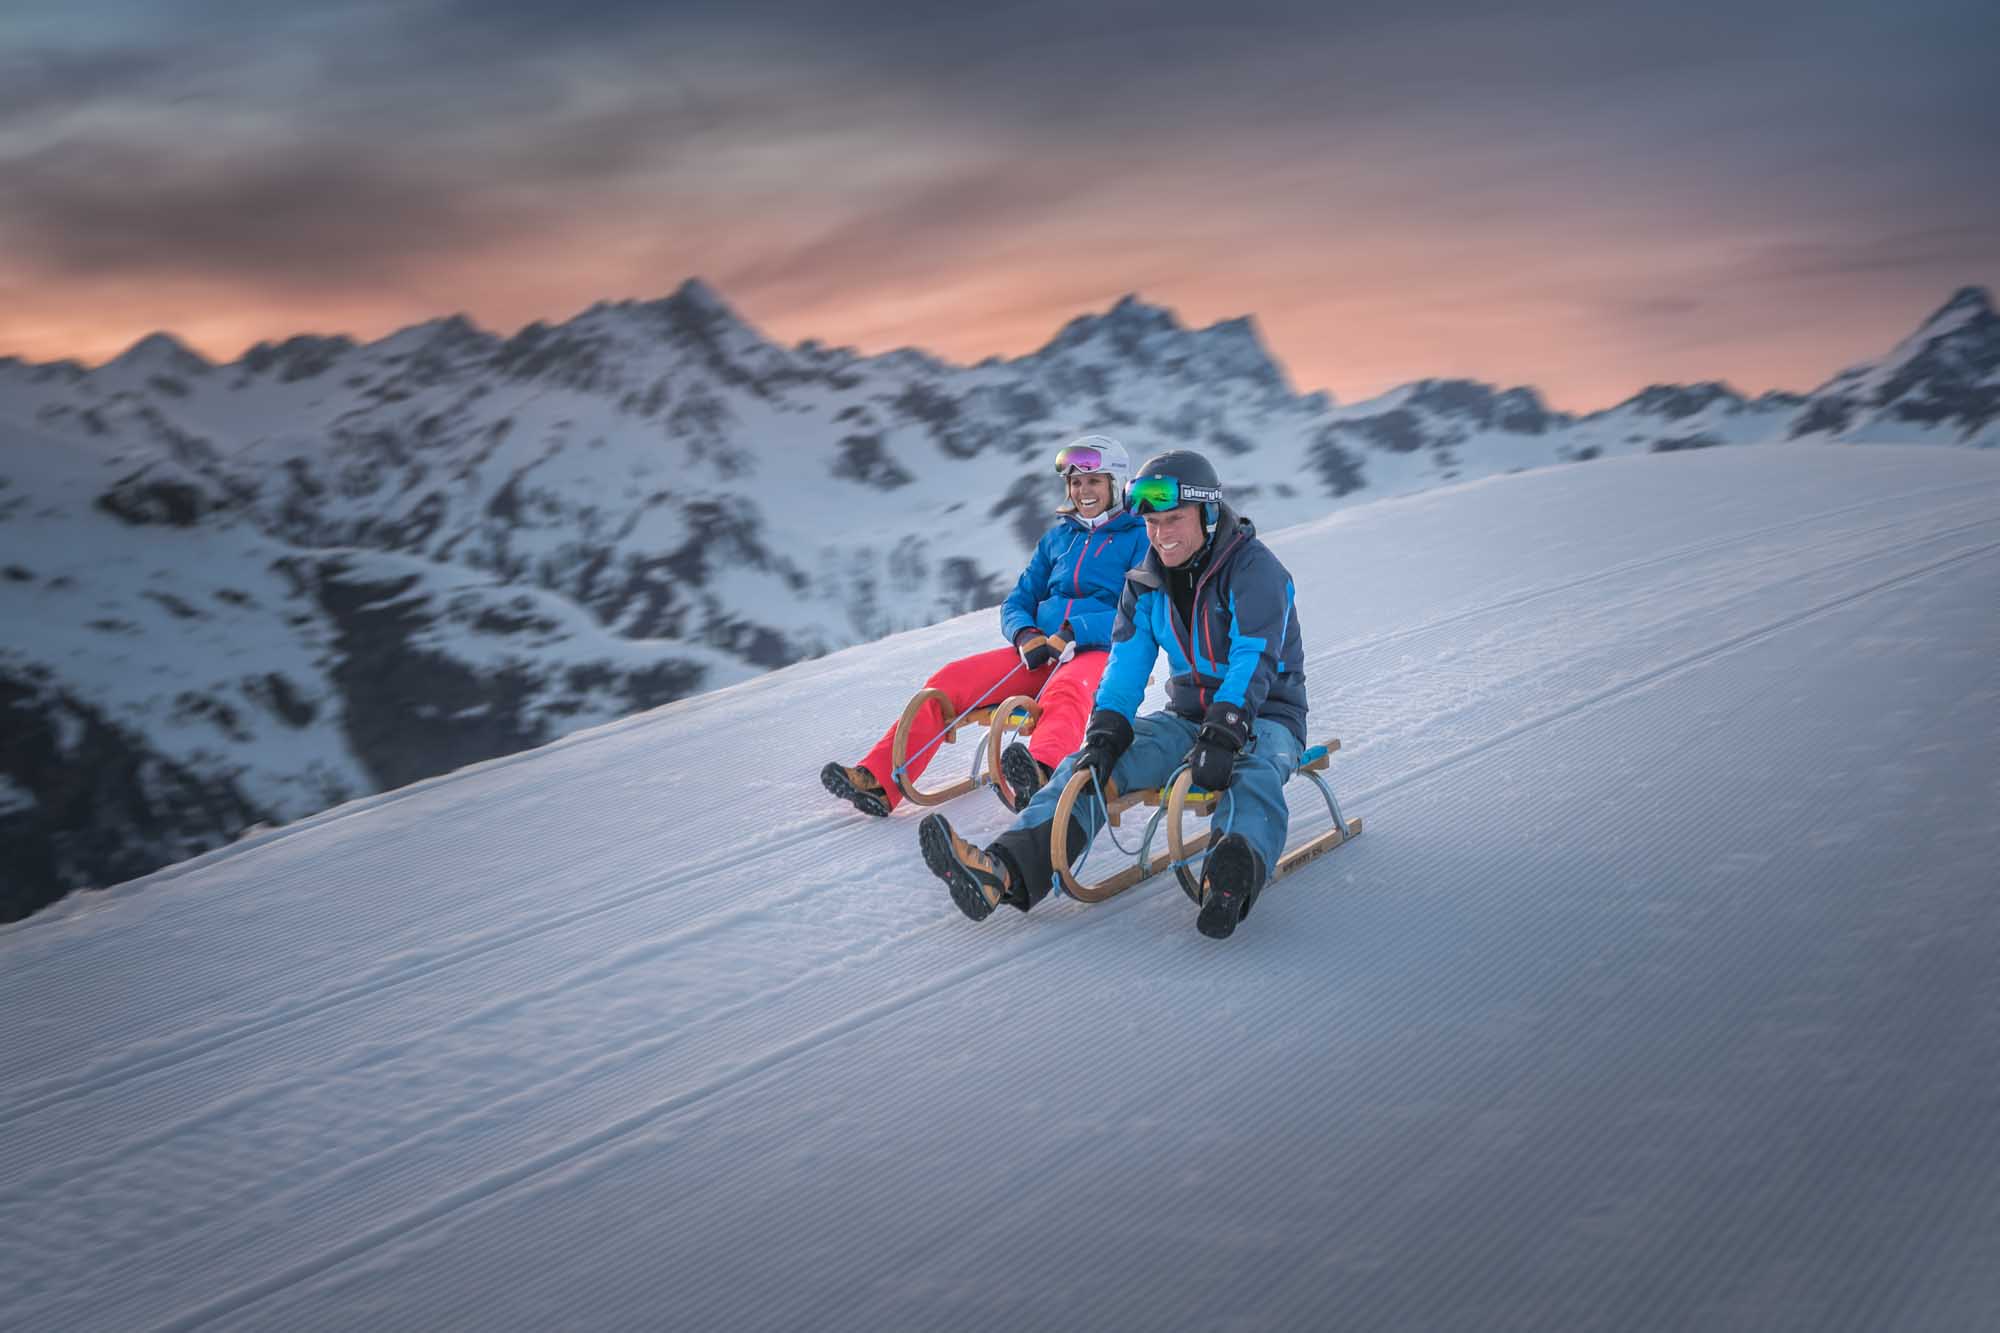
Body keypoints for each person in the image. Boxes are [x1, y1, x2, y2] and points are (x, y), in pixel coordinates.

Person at [917, 449, 1308, 939]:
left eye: (1174, 520)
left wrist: (1227, 731)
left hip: (1266, 716)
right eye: (1151, 523)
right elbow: (1125, 666)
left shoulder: (1255, 572)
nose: (1161, 535)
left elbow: (1255, 660)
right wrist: (1106, 731)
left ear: (1208, 514)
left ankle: (1231, 877)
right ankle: (1004, 868)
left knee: (1252, 772)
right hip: (1186, 717)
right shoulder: (1145, 582)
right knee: (1089, 767)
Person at [820, 435, 1152, 817]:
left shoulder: (1140, 537)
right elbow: (1018, 600)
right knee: (950, 680)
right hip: (1041, 651)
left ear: (1116, 483)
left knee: (1066, 692)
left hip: (1099, 655)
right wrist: (1025, 634)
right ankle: (879, 780)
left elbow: (1140, 608)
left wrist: (1076, 631)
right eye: (1075, 482)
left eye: (1093, 481)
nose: (1082, 491)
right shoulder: (1059, 538)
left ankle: (1040, 776)